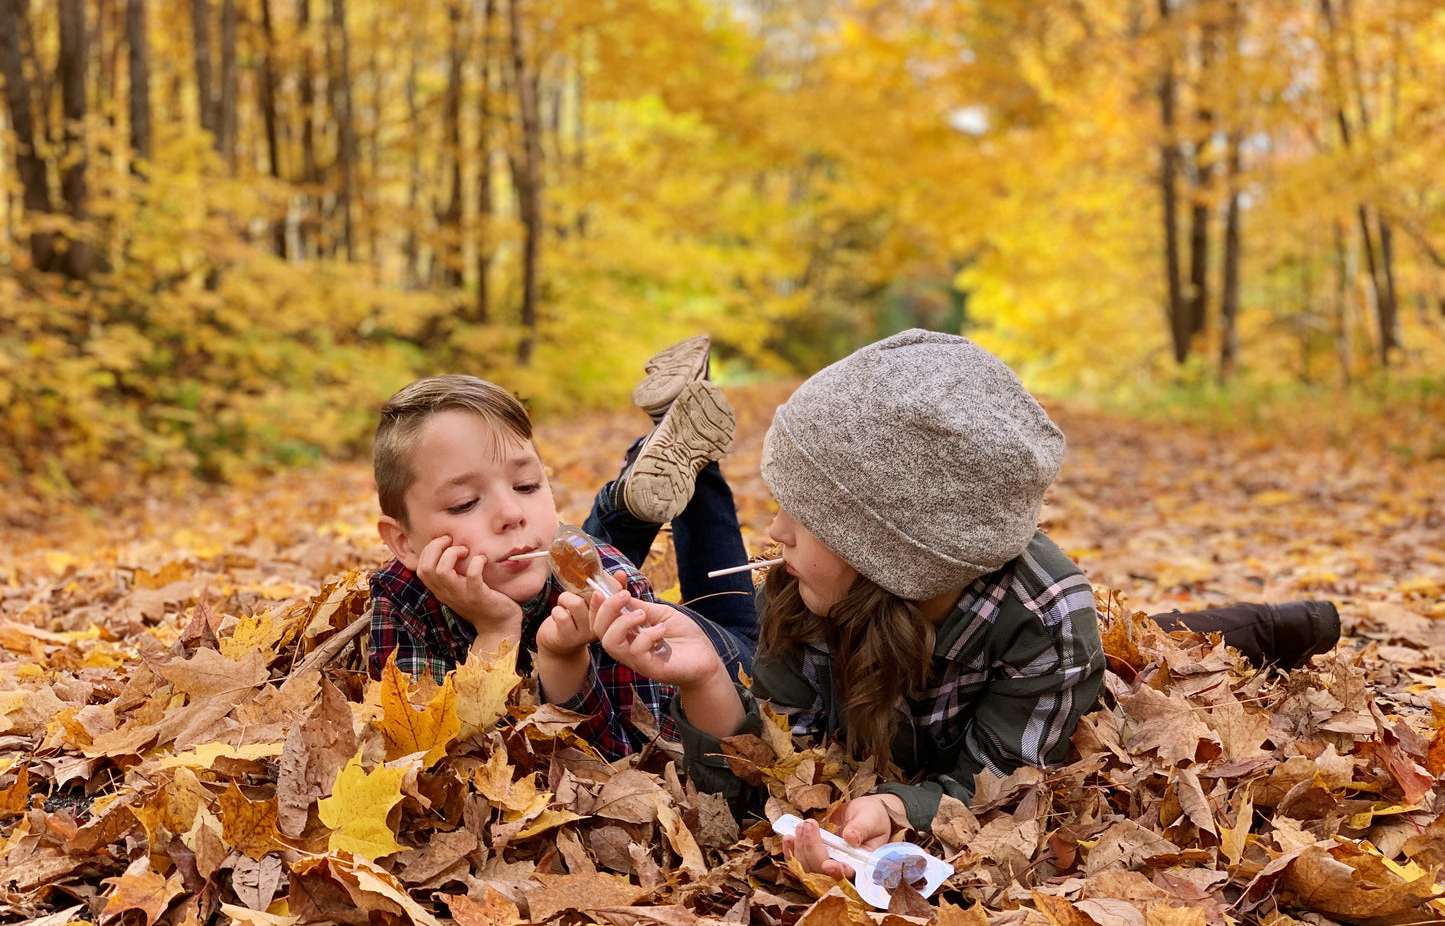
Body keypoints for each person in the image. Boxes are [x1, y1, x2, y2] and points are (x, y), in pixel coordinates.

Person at [586, 328, 1340, 885]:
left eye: (802, 514)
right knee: (1126, 635)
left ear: (890, 548)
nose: (773, 531)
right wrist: (707, 689)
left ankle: (1278, 626)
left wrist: (899, 806)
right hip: (934, 651)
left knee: (1131, 655)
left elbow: (1005, 786)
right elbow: (775, 775)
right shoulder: (809, 587)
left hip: (1030, 659)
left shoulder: (1046, 622)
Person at [366, 335, 759, 760]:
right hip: (563, 577)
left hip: (715, 662)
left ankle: (678, 458)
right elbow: (424, 758)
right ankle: (642, 471)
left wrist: (565, 664)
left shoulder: (611, 581)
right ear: (404, 542)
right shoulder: (400, 595)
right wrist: (497, 631)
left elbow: (636, 763)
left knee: (747, 647)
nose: (511, 512)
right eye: (464, 504)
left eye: (528, 485)